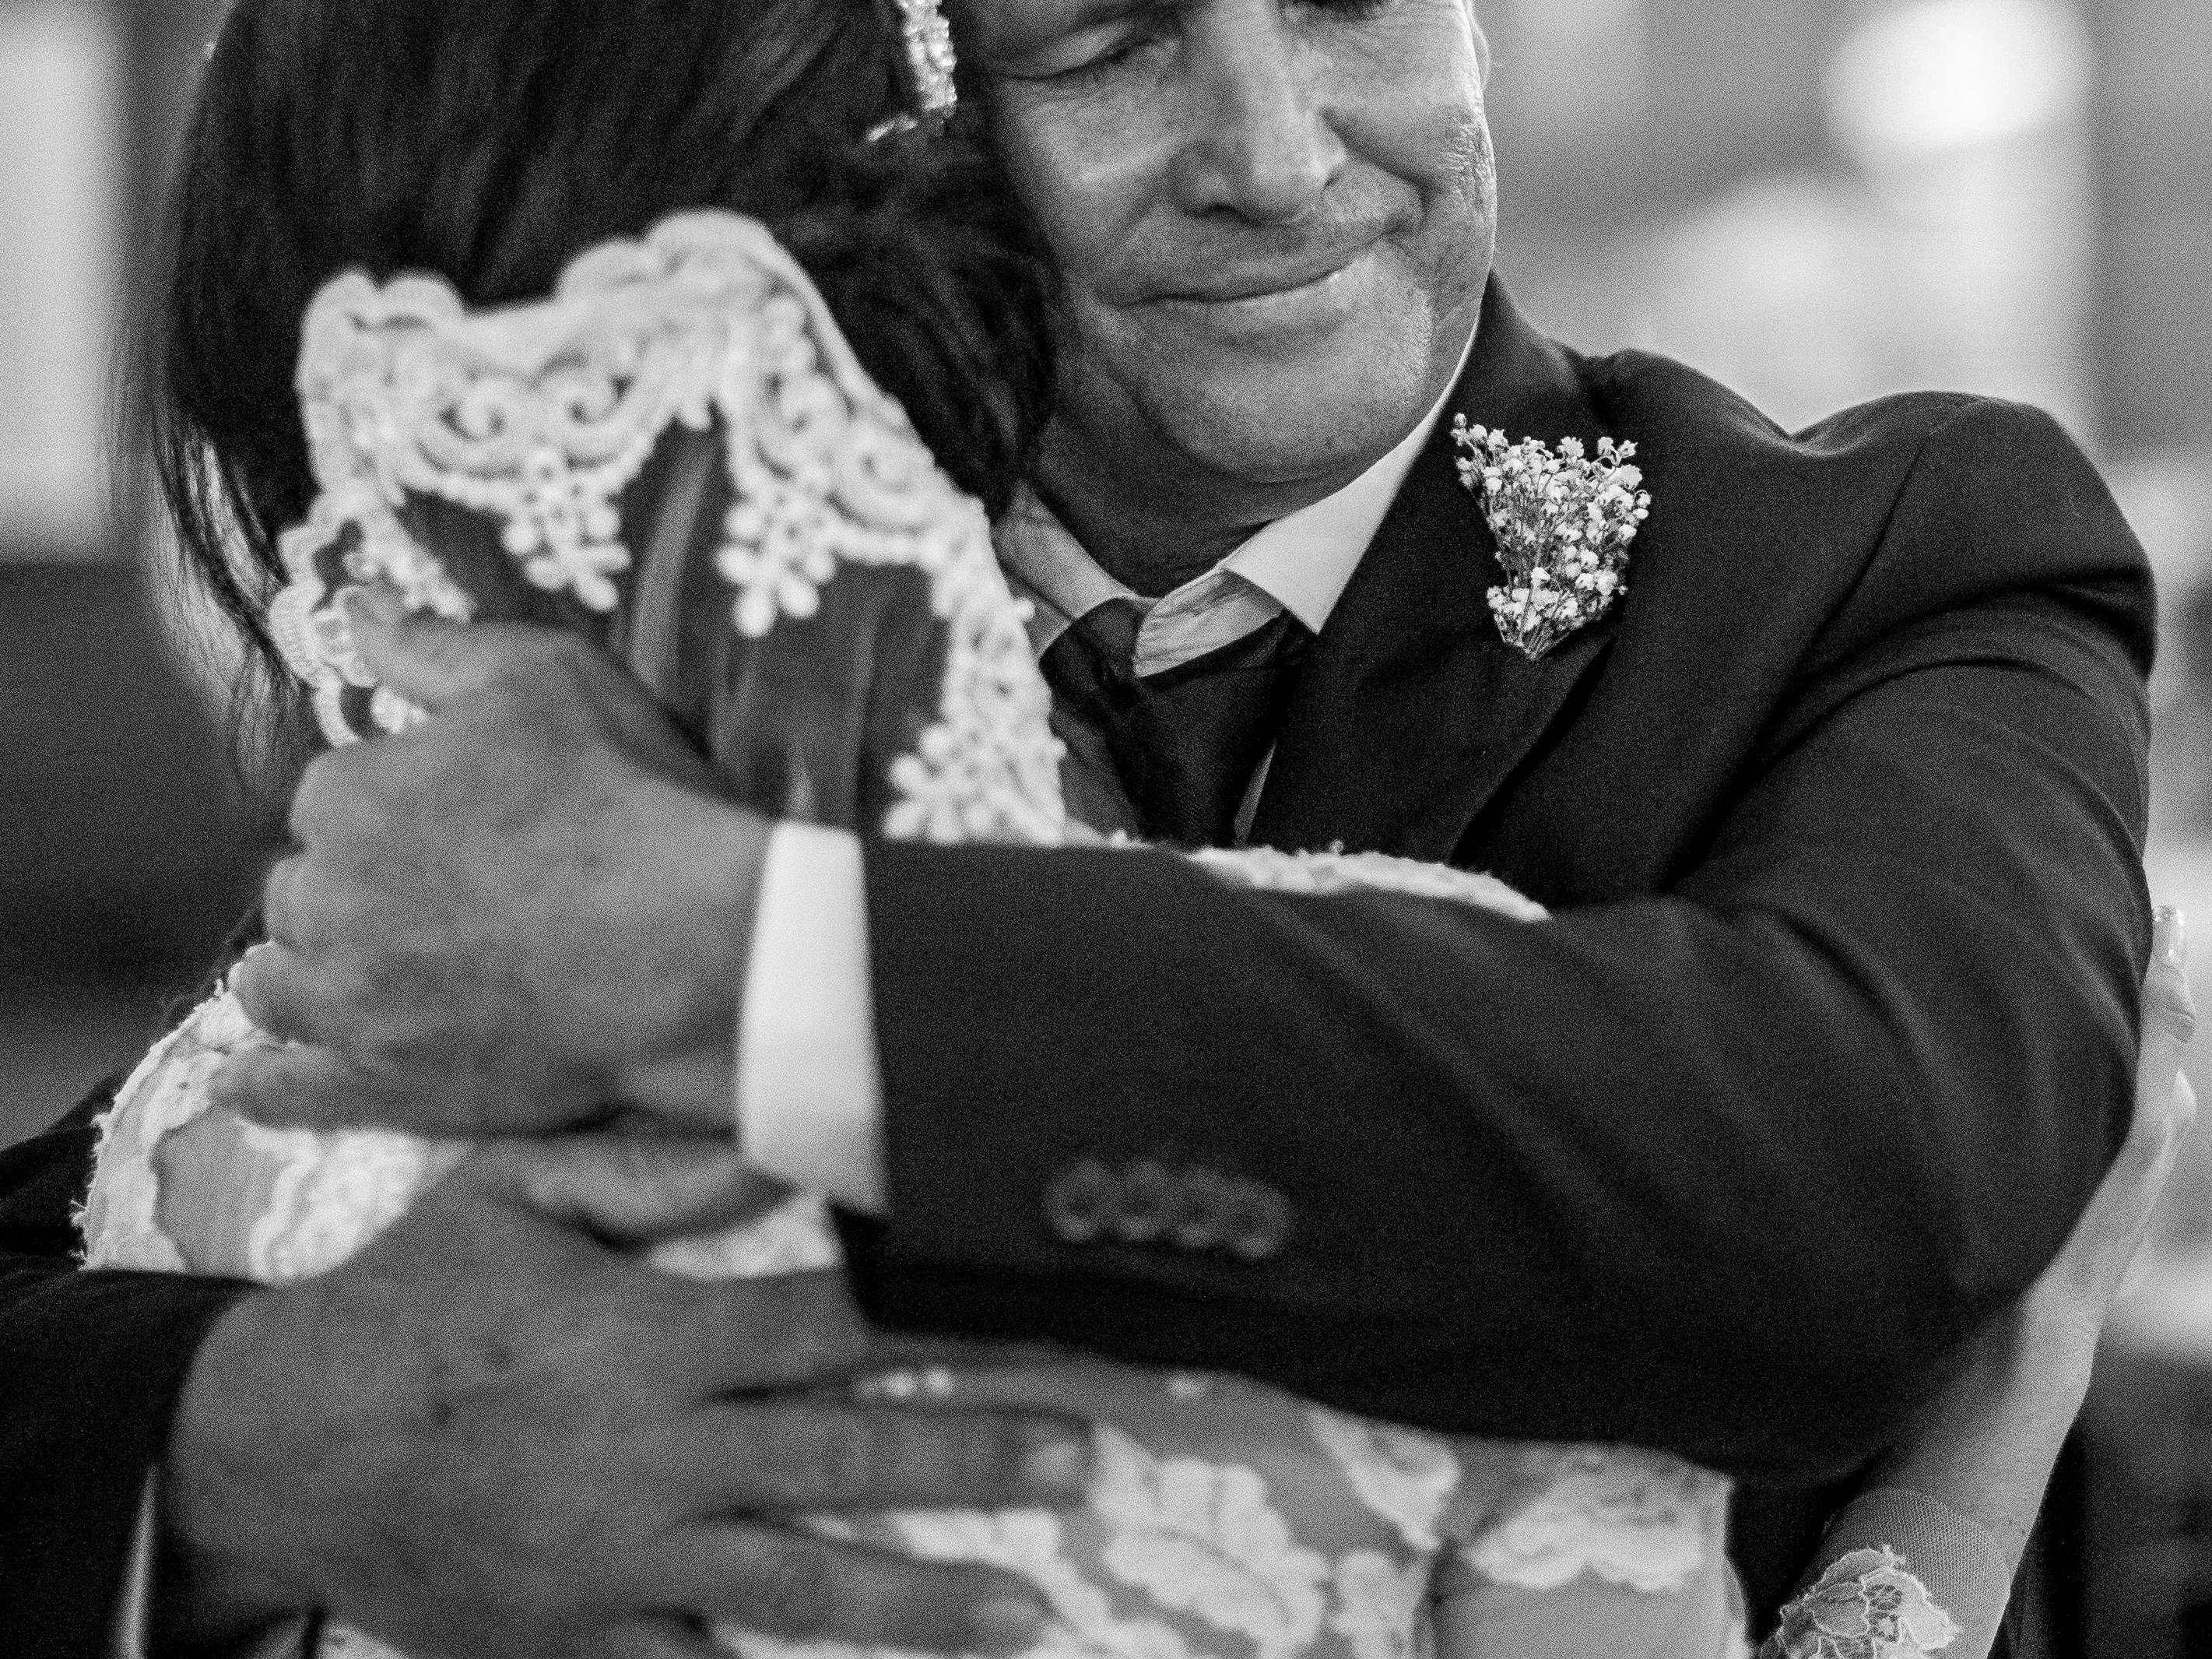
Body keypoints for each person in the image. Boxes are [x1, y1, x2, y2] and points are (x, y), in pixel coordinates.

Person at [0, 0, 2160, 1654]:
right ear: (908, 112)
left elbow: (1863, 1171)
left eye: (1348, 0)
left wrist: (746, 969)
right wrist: (262, 1443)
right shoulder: (683, 596)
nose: (1276, 153)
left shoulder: (1880, 558)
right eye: (1109, 40)